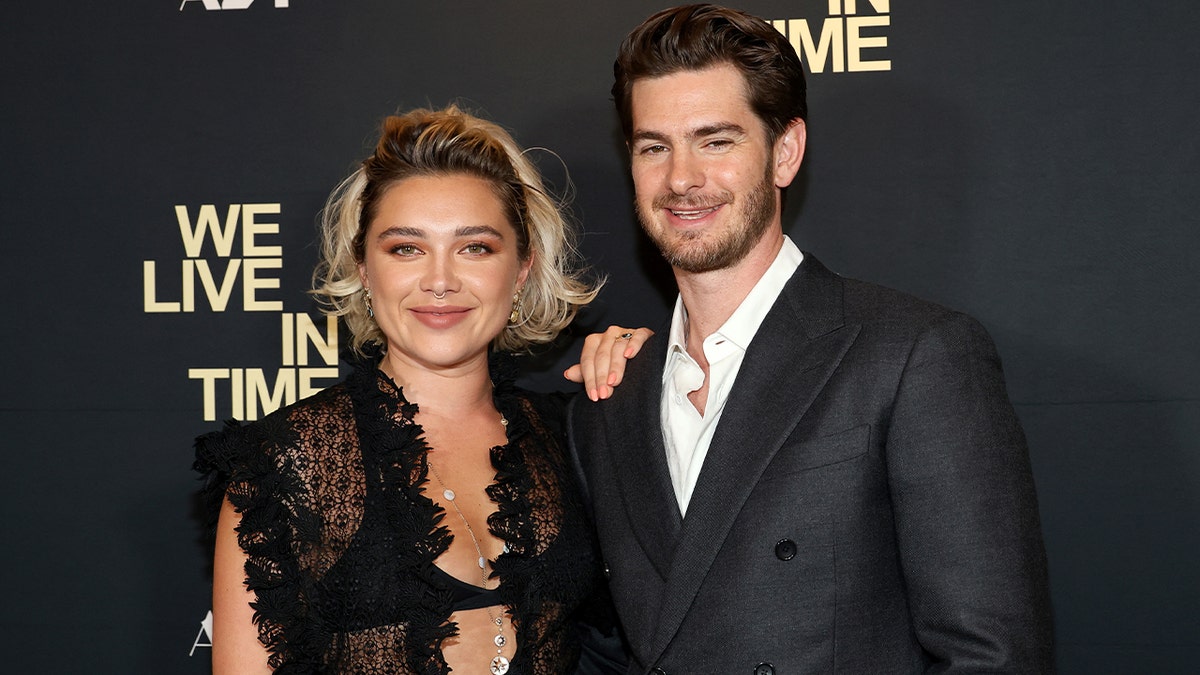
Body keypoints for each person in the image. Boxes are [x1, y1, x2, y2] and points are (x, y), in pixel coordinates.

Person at [568, 5, 1055, 673]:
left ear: (785, 151)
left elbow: (992, 657)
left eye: (715, 141)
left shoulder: (915, 354)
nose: (681, 178)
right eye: (655, 146)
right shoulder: (610, 396)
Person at [195, 105, 640, 674]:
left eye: (475, 247)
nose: (440, 280)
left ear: (523, 267)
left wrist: (658, 368)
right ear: (362, 266)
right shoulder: (285, 464)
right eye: (406, 247)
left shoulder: (573, 435)